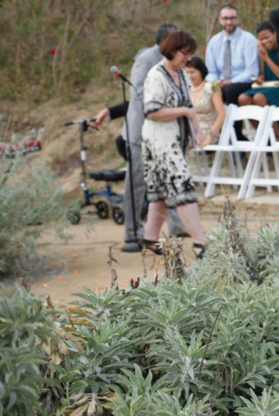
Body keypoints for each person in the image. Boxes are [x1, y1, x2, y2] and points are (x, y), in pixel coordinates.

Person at [89, 23, 179, 252]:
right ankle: (132, 233)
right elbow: (139, 94)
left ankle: (176, 226)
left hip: (163, 130)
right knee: (137, 184)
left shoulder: (173, 59)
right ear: (164, 40)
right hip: (141, 132)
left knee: (168, 178)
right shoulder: (146, 59)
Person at [137, 30, 209, 260]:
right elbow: (152, 111)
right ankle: (200, 242)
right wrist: (186, 112)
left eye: (190, 54)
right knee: (182, 186)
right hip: (159, 141)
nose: (188, 58)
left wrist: (194, 130)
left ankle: (150, 239)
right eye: (185, 53)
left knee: (159, 191)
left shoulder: (182, 74)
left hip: (175, 140)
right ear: (172, 50)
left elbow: (188, 104)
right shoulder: (155, 75)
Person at [205, 5, 260, 106]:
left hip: (244, 82)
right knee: (205, 90)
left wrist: (230, 82)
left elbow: (252, 71)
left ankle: (233, 117)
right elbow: (211, 71)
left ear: (238, 19)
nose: (229, 22)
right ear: (219, 19)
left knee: (230, 90)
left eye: (232, 18)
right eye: (225, 18)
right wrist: (214, 82)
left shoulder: (248, 40)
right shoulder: (214, 42)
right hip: (221, 82)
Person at [239, 23, 279, 106]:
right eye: (261, 39)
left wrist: (265, 57)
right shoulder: (262, 50)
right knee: (243, 98)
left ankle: (272, 115)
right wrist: (259, 79)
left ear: (274, 34)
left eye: (267, 37)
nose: (264, 41)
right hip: (268, 85)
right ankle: (258, 115)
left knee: (259, 98)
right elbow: (264, 74)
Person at [186, 57, 223, 150]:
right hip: (191, 128)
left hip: (208, 130)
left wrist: (210, 135)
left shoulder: (212, 87)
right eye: (187, 73)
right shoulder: (186, 89)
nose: (190, 76)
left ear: (201, 71)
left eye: (192, 72)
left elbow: (222, 115)